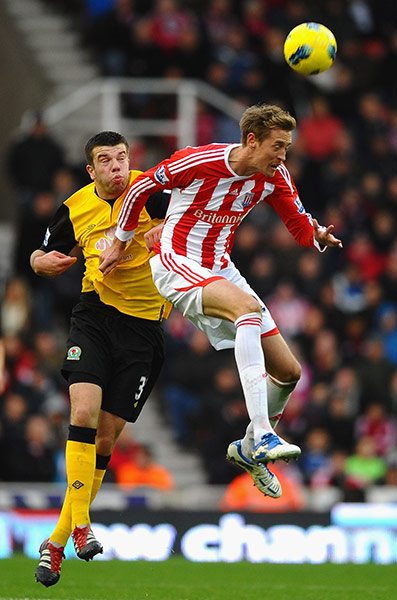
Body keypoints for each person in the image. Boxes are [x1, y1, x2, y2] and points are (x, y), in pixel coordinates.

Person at [99, 103, 343, 501]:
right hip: (176, 261)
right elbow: (142, 188)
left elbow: (298, 224)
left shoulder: (274, 176)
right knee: (246, 309)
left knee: (289, 370)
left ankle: (248, 450)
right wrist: (121, 241)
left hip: (221, 269)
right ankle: (263, 433)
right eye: (277, 146)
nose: (283, 156)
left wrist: (317, 235)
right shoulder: (199, 160)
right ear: (252, 140)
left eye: (287, 147)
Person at [30, 131, 171, 587]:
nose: (116, 166)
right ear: (91, 170)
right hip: (94, 316)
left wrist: (164, 238)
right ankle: (84, 524)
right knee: (83, 412)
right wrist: (39, 262)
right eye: (105, 160)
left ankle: (55, 543)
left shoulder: (155, 192)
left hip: (144, 330)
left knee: (106, 444)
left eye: (122, 158)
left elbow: (190, 232)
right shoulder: (75, 207)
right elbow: (38, 251)